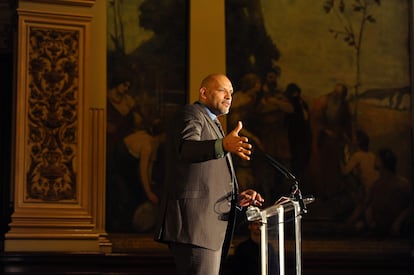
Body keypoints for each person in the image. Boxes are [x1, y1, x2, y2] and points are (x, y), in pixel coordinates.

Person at [155, 73, 264, 275]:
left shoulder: (214, 124)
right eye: (223, 90)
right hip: (195, 226)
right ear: (204, 93)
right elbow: (186, 149)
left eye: (231, 92)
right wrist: (222, 145)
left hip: (207, 228)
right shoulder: (191, 114)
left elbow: (207, 177)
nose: (229, 96)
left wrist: (236, 199)